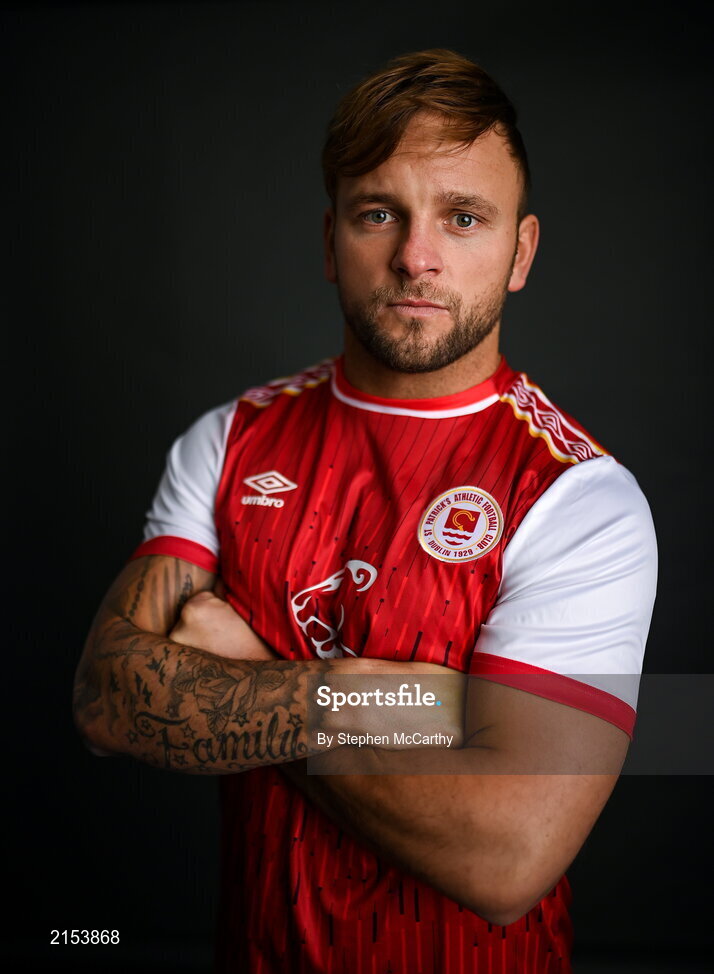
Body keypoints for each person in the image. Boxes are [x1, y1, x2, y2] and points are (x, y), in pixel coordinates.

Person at [73, 49, 657, 973]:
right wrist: (391, 701)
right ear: (329, 239)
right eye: (378, 213)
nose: (416, 256)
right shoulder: (228, 442)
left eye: (464, 217)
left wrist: (265, 674)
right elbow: (109, 700)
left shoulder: (579, 498)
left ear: (521, 252)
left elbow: (505, 855)